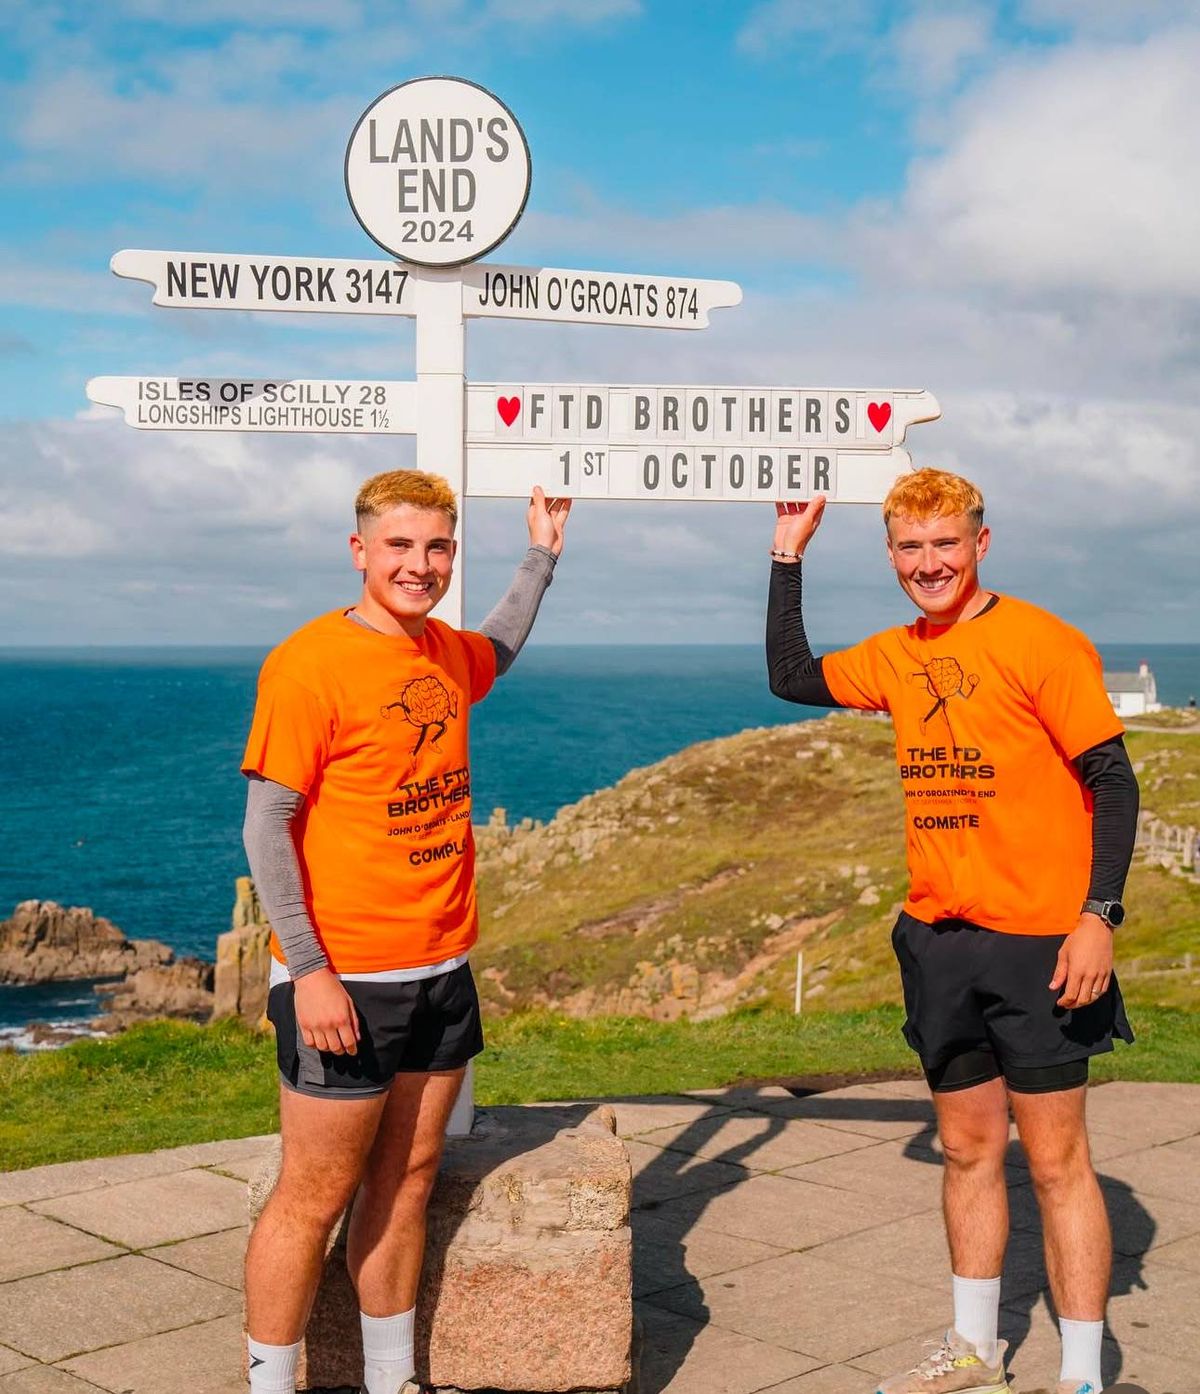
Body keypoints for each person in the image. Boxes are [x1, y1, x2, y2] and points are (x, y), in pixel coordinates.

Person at [766, 469, 1138, 1394]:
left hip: (1041, 943)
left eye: (945, 543)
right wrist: (787, 556)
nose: (929, 563)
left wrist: (1099, 918)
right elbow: (790, 678)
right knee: (967, 1149)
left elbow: (1115, 783)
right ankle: (974, 1351)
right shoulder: (897, 653)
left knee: (1057, 1165)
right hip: (939, 939)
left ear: (981, 542)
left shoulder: (1043, 643)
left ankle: (1084, 1377)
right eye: (909, 547)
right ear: (891, 554)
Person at [240, 469, 570, 1394]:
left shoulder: (442, 656)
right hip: (343, 979)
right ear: (359, 551)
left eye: (435, 548)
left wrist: (542, 556)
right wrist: (308, 971)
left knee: (412, 1176)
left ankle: (393, 1383)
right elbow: (265, 826)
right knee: (313, 1198)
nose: (418, 565)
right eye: (399, 546)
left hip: (442, 968)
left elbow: (497, 646)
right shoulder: (309, 664)